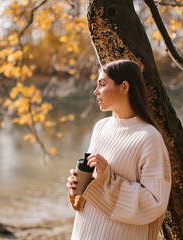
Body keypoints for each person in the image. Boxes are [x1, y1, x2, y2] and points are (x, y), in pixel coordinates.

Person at [66, 59, 171, 240]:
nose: (95, 91)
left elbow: (155, 202)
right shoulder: (101, 127)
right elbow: (94, 185)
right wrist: (79, 184)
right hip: (85, 231)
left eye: (102, 84)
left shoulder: (149, 137)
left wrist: (107, 178)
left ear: (124, 87)